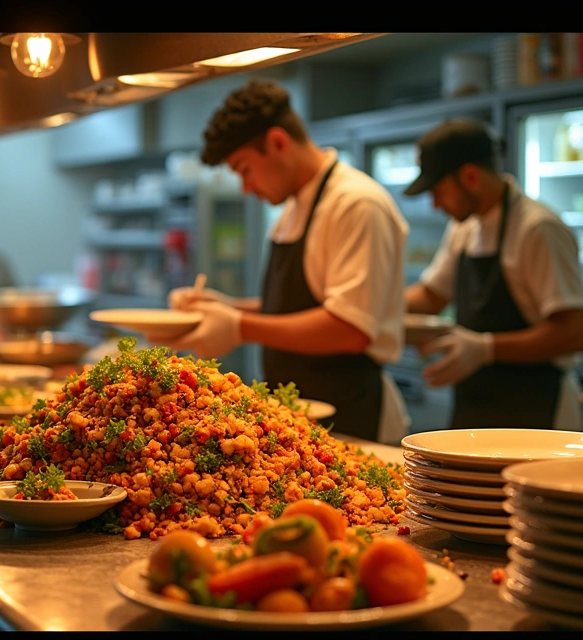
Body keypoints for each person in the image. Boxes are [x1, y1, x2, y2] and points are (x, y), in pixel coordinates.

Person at [162, 78, 411, 444]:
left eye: (244, 169)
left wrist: (239, 326)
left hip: (352, 415)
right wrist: (222, 306)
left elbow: (350, 327)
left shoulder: (356, 204)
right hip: (299, 417)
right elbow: (293, 307)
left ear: (278, 143)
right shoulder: (292, 210)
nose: (246, 188)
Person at [402, 118, 583, 431]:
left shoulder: (537, 229)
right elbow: (431, 295)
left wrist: (485, 348)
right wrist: (372, 307)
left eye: (439, 191)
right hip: (476, 406)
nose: (435, 204)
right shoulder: (464, 226)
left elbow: (572, 333)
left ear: (470, 177)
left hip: (537, 409)